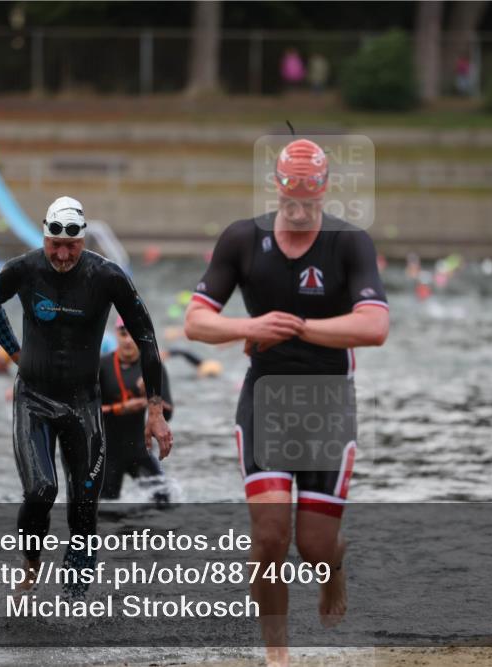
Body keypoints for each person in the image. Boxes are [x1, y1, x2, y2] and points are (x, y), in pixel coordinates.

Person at [184, 139, 389, 667]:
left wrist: (298, 328)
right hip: (266, 399)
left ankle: (333, 567)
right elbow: (196, 321)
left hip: (327, 402)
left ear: (323, 193)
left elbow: (375, 326)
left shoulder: (350, 243)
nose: (301, 210)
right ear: (277, 188)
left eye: (312, 201)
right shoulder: (242, 239)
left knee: (315, 547)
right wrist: (252, 327)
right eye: (292, 198)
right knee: (271, 536)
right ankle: (278, 656)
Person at [0, 195, 172, 598]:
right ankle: (31, 565)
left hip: (83, 403)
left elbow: (147, 339)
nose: (63, 254)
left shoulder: (107, 276)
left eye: (72, 246)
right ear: (45, 236)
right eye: (55, 244)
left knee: (85, 506)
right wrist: (15, 351)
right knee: (41, 491)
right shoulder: (25, 268)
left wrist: (155, 411)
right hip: (33, 398)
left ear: (83, 241)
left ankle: (74, 603)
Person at [99, 317, 174, 506]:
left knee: (164, 503)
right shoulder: (101, 366)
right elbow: (87, 412)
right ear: (117, 335)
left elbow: (169, 413)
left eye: (133, 335)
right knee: (105, 511)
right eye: (123, 334)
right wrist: (120, 408)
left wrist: (151, 398)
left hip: (140, 449)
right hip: (108, 453)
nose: (128, 340)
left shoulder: (152, 366)